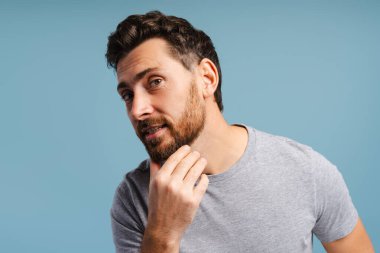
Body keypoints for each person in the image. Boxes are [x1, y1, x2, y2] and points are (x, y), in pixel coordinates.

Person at [105, 11, 374, 253]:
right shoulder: (134, 198)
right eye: (127, 95)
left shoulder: (306, 171)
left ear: (206, 79)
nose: (137, 109)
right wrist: (163, 234)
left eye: (155, 82)